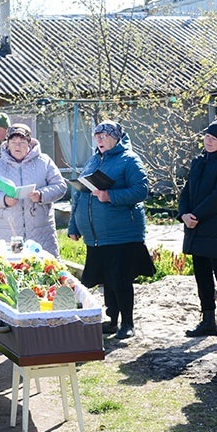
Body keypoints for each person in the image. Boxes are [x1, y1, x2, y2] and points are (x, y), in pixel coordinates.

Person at [68, 120, 155, 340]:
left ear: (116, 137)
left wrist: (110, 196)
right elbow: (79, 194)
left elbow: (141, 190)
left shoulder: (129, 160)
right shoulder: (93, 160)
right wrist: (74, 225)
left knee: (120, 278)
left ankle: (127, 322)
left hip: (121, 233)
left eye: (104, 135)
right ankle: (112, 320)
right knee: (106, 278)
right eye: (97, 135)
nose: (99, 139)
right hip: (96, 236)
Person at [178, 119, 217, 344]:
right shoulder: (199, 161)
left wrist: (196, 215)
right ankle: (207, 320)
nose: (209, 141)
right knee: (202, 276)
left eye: (214, 138)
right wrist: (183, 214)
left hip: (216, 229)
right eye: (207, 137)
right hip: (195, 227)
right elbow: (186, 191)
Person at [0, 123, 67, 256]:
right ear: (7, 143)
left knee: (43, 272)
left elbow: (61, 186)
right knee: (13, 272)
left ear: (29, 143)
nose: (17, 146)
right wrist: (4, 200)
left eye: (22, 142)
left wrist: (41, 195)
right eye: (13, 142)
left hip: (41, 232)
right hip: (9, 232)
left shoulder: (44, 162)